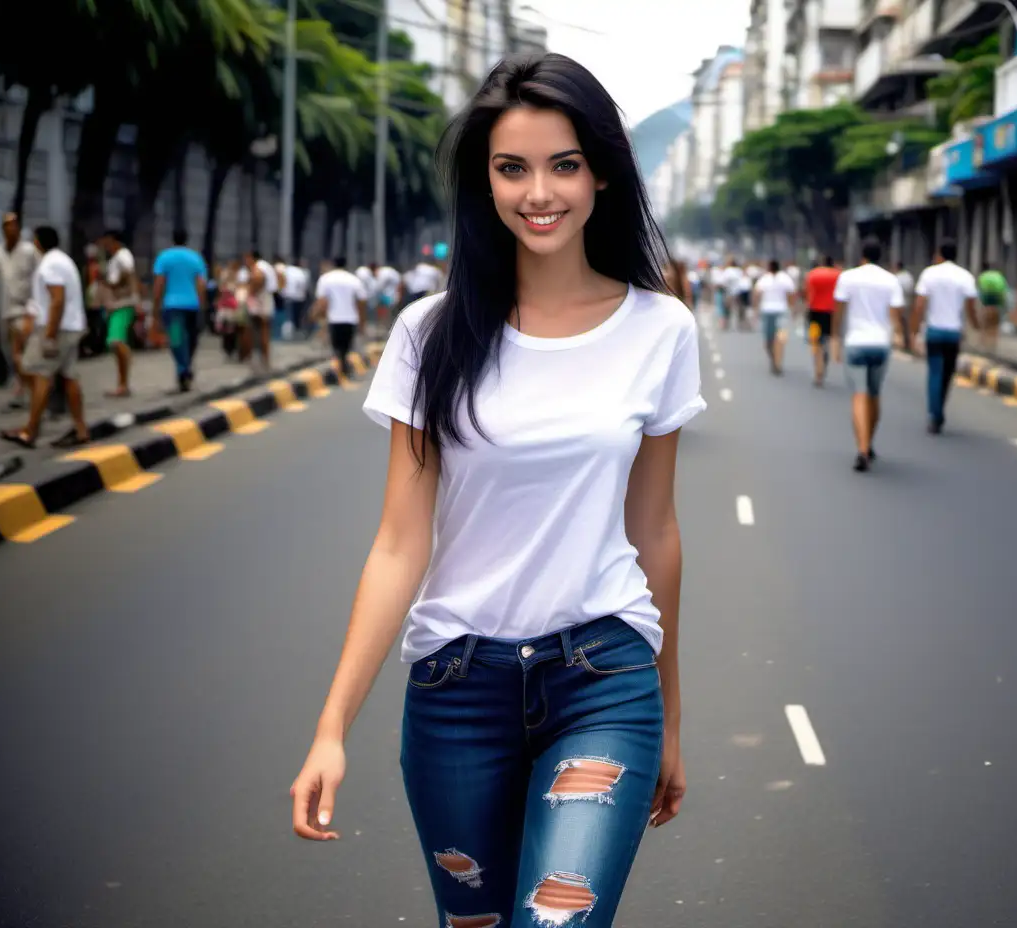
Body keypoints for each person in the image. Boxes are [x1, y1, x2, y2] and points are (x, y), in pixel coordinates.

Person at [289, 52, 704, 928]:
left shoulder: (659, 329)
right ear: (484, 180)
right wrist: (332, 730)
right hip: (456, 689)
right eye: (511, 168)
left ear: (600, 174)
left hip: (603, 678)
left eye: (563, 164)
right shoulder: (428, 333)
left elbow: (654, 531)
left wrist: (669, 715)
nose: (537, 192)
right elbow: (400, 544)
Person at [0, 226, 90, 450]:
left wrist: (49, 335)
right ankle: (80, 429)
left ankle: (30, 431)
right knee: (68, 377)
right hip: (71, 326)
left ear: (39, 242)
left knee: (36, 372)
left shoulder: (50, 264)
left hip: (57, 329)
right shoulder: (62, 260)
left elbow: (57, 299)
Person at [833, 238, 904, 471]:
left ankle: (862, 448)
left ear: (861, 256)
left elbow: (838, 312)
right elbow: (895, 315)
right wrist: (900, 336)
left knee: (859, 396)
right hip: (880, 344)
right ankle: (869, 442)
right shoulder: (891, 280)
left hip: (855, 342)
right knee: (874, 395)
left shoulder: (848, 277)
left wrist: (835, 338)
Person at [911, 240, 979, 435]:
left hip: (934, 331)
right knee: (948, 375)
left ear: (939, 254)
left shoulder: (929, 273)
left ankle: (935, 414)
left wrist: (914, 331)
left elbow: (919, 305)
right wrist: (975, 325)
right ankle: (939, 408)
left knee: (934, 373)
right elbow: (971, 307)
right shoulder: (964, 276)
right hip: (953, 333)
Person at [0, 212, 39, 403]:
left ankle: (32, 391)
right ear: (3, 229)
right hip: (5, 311)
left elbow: (41, 277)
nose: (11, 228)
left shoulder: (29, 251)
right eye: (7, 225)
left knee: (23, 354)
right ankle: (21, 385)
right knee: (10, 354)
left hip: (26, 310)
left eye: (14, 224)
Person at [151, 229, 209, 392]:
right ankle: (186, 367)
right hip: (192, 305)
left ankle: (183, 369)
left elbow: (159, 284)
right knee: (191, 339)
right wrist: (202, 306)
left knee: (177, 340)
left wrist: (156, 307)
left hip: (172, 306)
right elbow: (200, 284)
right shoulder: (195, 258)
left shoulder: (164, 258)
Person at [100, 230, 139, 398]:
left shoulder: (123, 255)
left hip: (123, 304)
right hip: (117, 305)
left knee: (116, 342)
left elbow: (129, 274)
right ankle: (122, 385)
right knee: (115, 343)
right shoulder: (115, 259)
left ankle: (124, 380)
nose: (105, 245)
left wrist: (115, 285)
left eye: (107, 241)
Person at [312, 257, 367, 376]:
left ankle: (341, 366)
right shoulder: (353, 279)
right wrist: (362, 323)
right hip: (350, 318)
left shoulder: (325, 279)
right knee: (346, 345)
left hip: (334, 318)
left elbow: (322, 301)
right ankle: (343, 366)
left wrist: (318, 318)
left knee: (336, 345)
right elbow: (362, 301)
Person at [754, 259, 796, 375]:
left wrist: (755, 308)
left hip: (777, 311)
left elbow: (756, 294)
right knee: (770, 340)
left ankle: (777, 363)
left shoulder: (782, 278)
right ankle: (775, 359)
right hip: (771, 311)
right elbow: (792, 294)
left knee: (778, 339)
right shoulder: (767, 279)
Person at [804, 256, 841, 386]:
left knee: (815, 341)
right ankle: (825, 358)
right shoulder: (838, 275)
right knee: (828, 338)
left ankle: (817, 371)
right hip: (831, 311)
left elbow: (808, 293)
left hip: (814, 312)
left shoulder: (813, 274)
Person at [243, 250, 279, 370]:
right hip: (265, 298)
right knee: (263, 329)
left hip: (261, 299)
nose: (246, 262)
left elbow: (258, 279)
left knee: (259, 329)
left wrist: (249, 293)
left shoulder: (259, 267)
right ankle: (263, 358)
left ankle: (259, 357)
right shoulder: (265, 266)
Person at [976, 261, 1008, 352]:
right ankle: (993, 341)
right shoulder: (999, 276)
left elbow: (980, 288)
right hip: (997, 297)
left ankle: (983, 340)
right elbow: (1004, 289)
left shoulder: (983, 275)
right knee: (995, 321)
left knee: (985, 319)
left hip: (987, 296)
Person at [895, 260, 915, 348]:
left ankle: (901, 341)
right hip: (908, 302)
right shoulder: (908, 276)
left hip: (899, 304)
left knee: (899, 322)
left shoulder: (897, 277)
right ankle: (908, 342)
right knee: (907, 323)